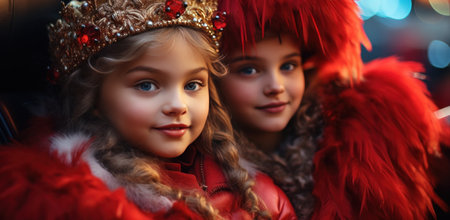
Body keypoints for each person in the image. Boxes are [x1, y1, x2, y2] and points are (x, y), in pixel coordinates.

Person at [0, 0, 296, 219]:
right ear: (94, 98)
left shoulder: (257, 194)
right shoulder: (66, 203)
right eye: (146, 85)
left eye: (193, 84)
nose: (178, 106)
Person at [216, 0, 449, 219]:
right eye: (249, 70)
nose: (276, 86)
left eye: (288, 66)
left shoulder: (369, 133)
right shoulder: (202, 175)